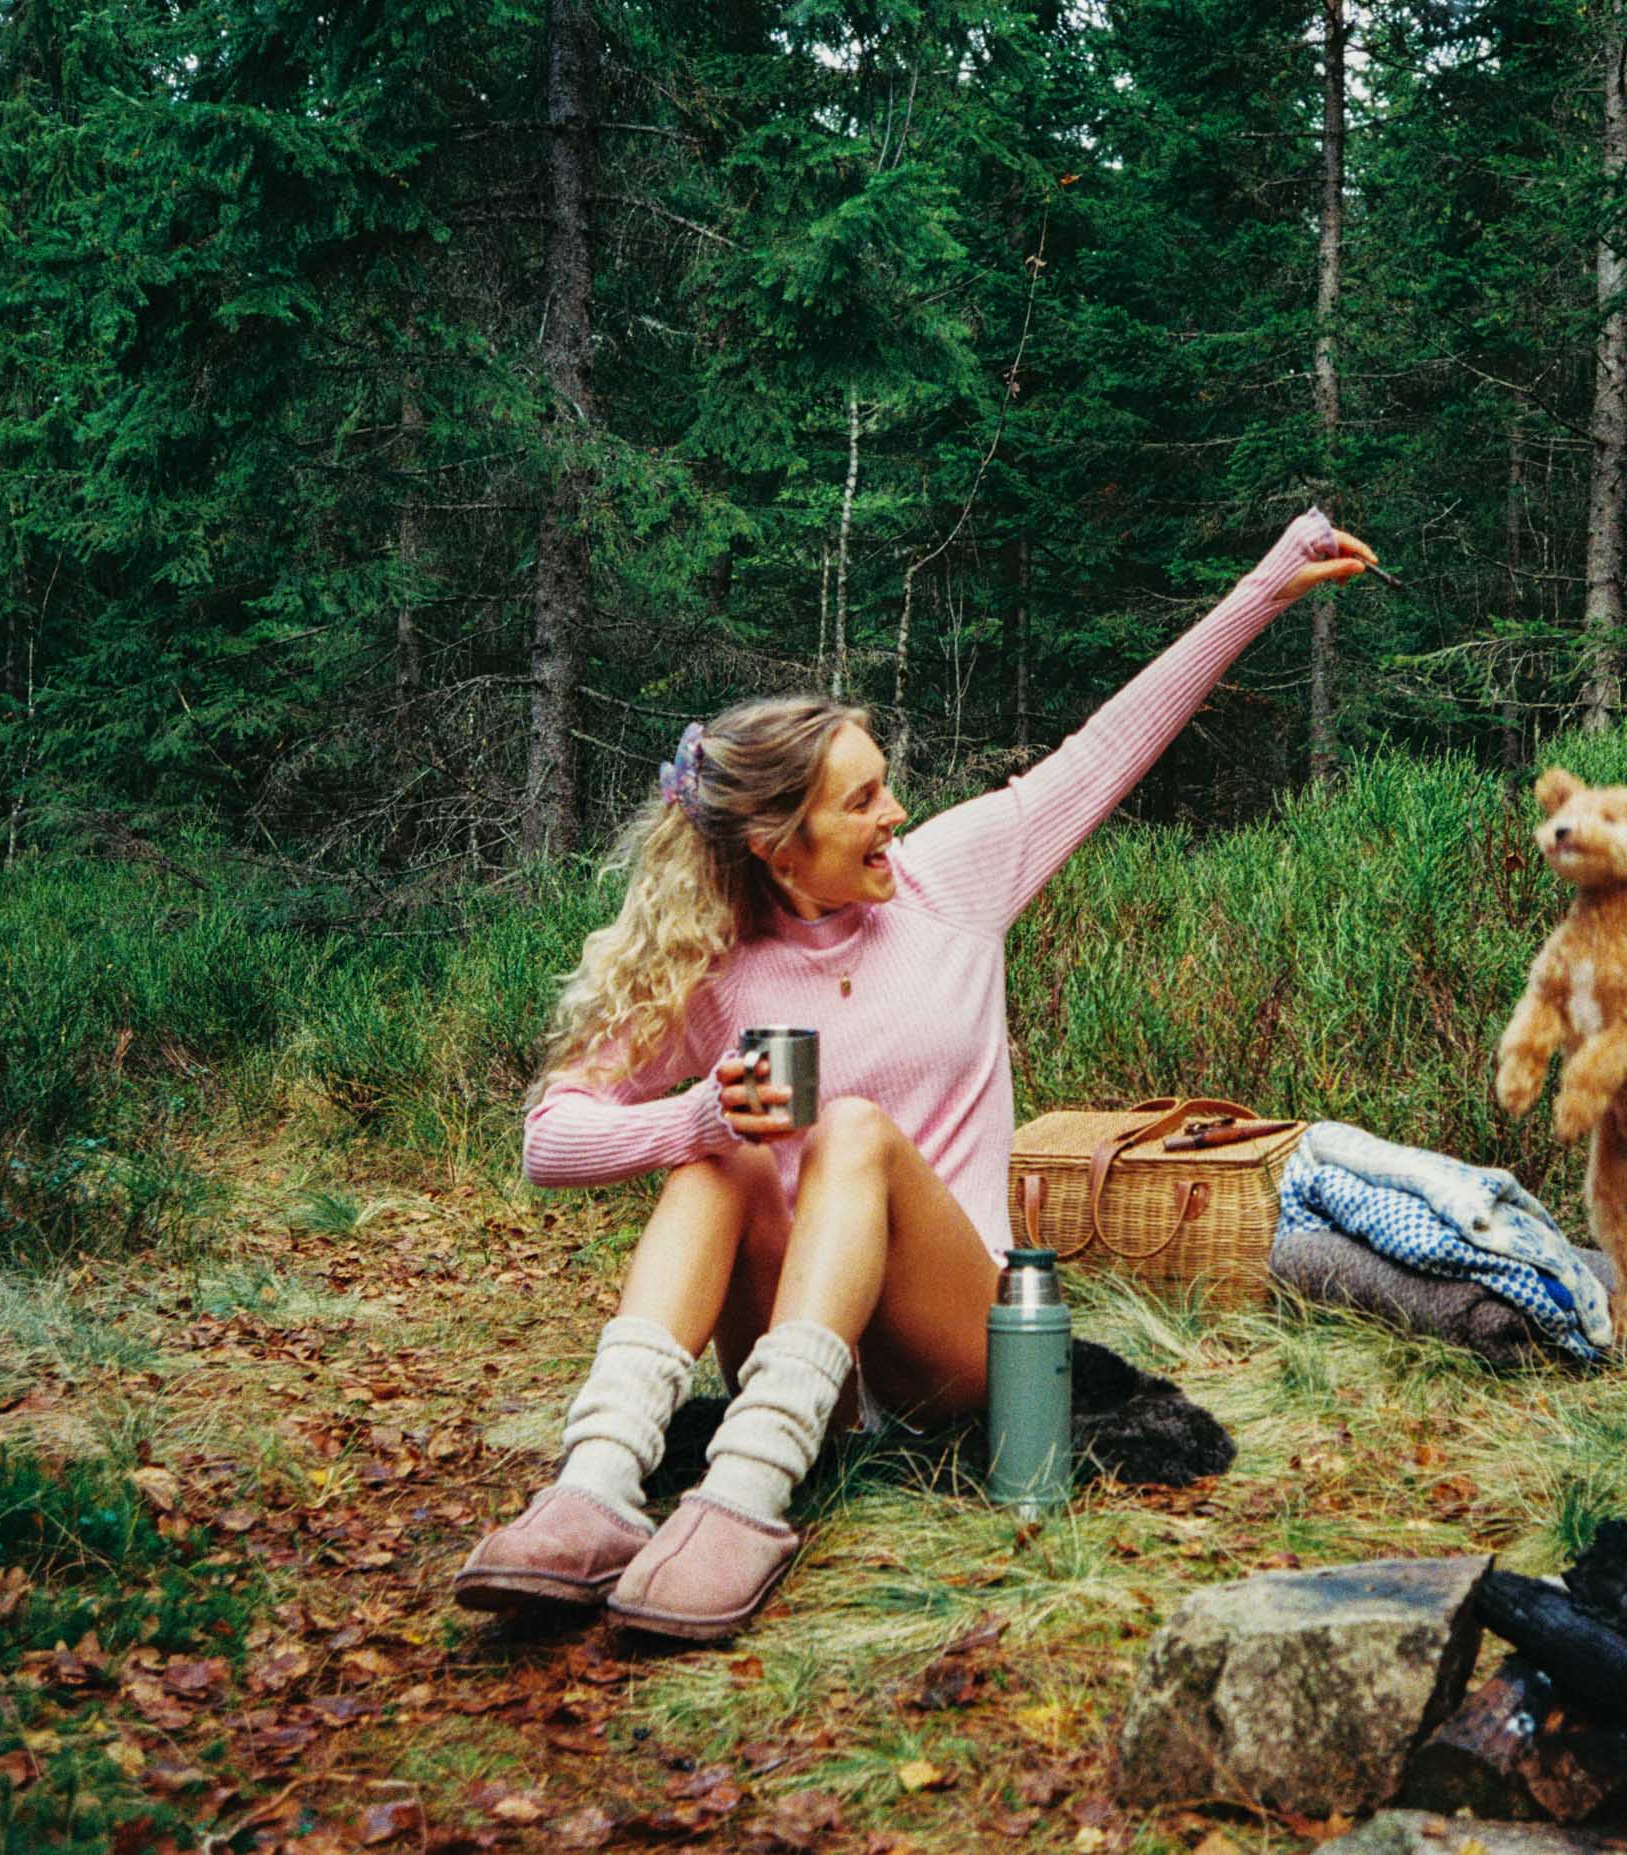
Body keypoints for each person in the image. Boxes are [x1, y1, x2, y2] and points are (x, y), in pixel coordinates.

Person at [452, 508, 1376, 1639]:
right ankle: (594, 1488)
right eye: (861, 800)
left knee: (847, 1131)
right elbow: (549, 1139)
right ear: (777, 844)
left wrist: (1263, 589)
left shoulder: (950, 882)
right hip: (807, 1370)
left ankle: (742, 1499)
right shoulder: (711, 968)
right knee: (715, 1165)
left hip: (954, 1341)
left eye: (886, 787)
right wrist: (694, 1116)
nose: (895, 813)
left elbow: (1105, 746)